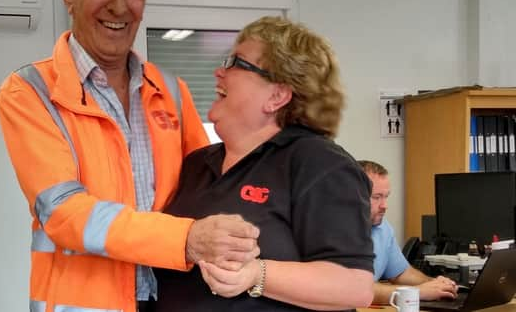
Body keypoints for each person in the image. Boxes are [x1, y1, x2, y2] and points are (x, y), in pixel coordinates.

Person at [0, 0, 260, 312]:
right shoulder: (30, 90)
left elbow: (207, 188)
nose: (119, 5)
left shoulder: (171, 89)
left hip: (173, 295)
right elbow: (64, 212)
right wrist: (186, 238)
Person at [155, 16, 375, 311]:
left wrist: (256, 274)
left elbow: (354, 287)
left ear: (277, 96)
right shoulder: (197, 163)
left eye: (238, 63)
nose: (220, 72)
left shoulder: (320, 164)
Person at [359, 160, 458, 303]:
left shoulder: (383, 227)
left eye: (386, 197)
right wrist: (417, 292)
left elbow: (401, 273)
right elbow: (355, 289)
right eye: (376, 197)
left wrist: (435, 284)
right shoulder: (334, 231)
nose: (384, 206)